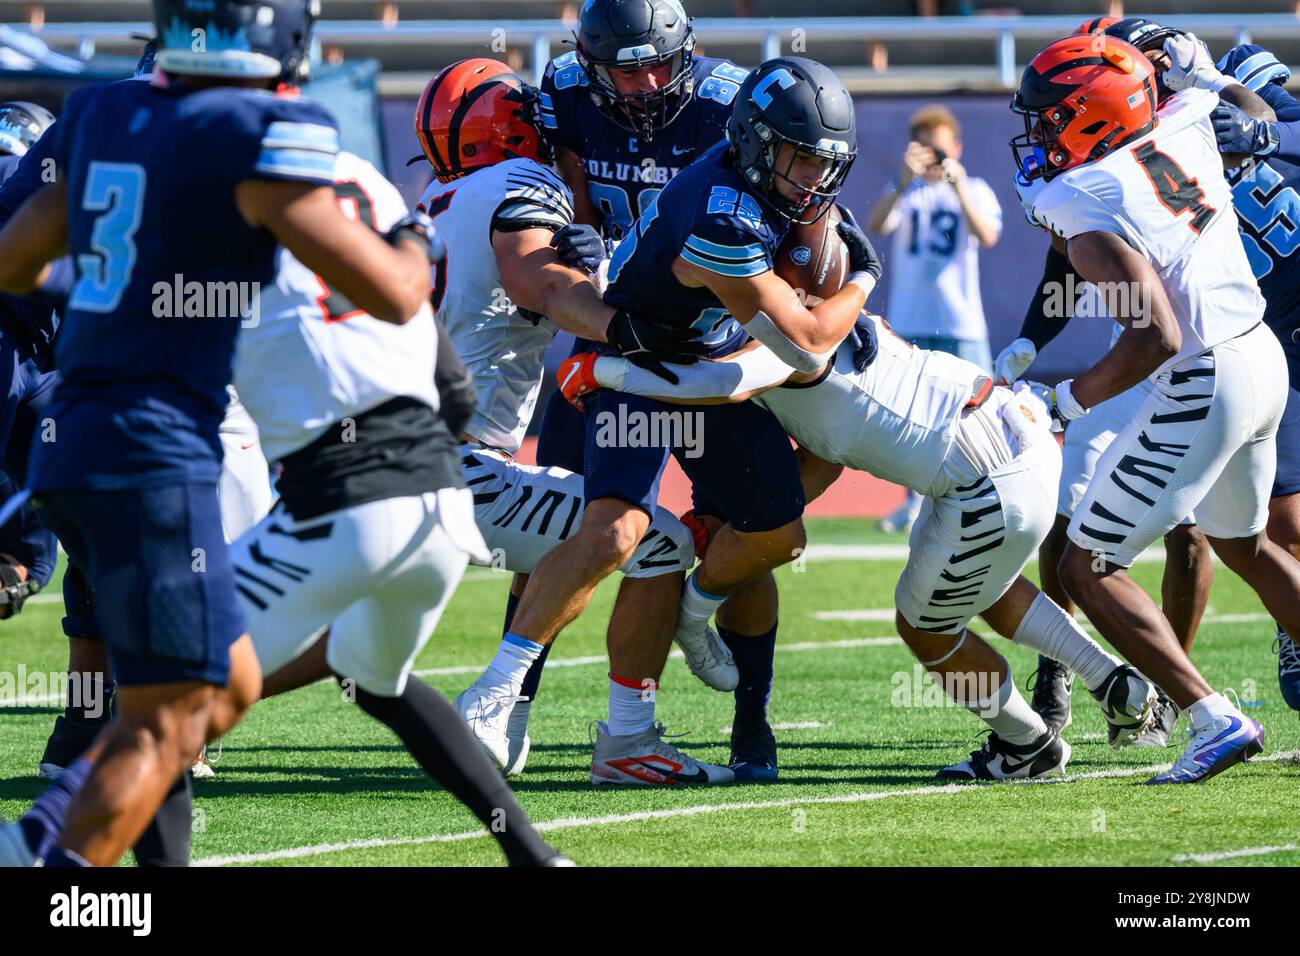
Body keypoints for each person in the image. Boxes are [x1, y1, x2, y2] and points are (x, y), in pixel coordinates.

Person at [0, 0, 435, 867]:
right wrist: (413, 236)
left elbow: (12, 262)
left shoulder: (96, 113)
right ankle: (51, 874)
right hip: (154, 446)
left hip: (69, 431)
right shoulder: (259, 130)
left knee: (208, 687)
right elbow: (391, 290)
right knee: (172, 714)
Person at [558, 309, 1161, 779]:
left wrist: (605, 371)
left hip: (984, 476)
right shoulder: (835, 313)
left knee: (924, 626)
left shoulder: (786, 337)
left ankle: (1027, 744)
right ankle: (1112, 681)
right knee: (978, 586)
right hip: (1009, 435)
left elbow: (719, 380)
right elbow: (819, 467)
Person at [411, 58, 722, 785]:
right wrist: (625, 329)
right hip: (456, 470)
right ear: (519, 127)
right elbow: (542, 283)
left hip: (386, 460)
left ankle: (175, 722)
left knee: (332, 640)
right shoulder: (522, 185)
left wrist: (597, 251)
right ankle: (620, 736)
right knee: (652, 540)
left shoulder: (432, 198)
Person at [1014, 31, 1300, 784]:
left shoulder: (1077, 194)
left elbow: (1153, 336)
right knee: (1245, 544)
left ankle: (1212, 718)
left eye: (1049, 119)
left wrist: (1063, 401)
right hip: (1261, 351)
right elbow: (1230, 98)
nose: (1038, 135)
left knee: (1088, 563)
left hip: (1204, 373)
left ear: (1090, 114)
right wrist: (1197, 69)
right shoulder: (1183, 119)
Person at [866, 104, 1002, 533]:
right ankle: (914, 503)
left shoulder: (975, 188)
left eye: (940, 149)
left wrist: (957, 184)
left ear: (957, 148)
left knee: (978, 416)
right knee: (911, 418)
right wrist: (901, 180)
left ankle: (987, 499)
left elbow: (988, 235)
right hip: (911, 320)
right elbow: (876, 224)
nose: (934, 158)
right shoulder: (905, 191)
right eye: (925, 149)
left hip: (962, 321)